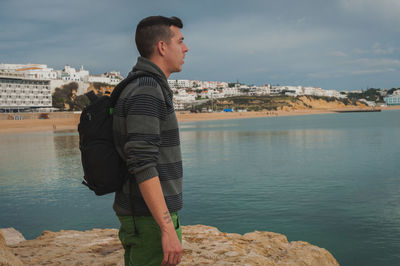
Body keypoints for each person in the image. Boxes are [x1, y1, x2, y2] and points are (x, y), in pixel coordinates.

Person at [112, 16, 189, 266]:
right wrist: (166, 228)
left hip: (149, 218)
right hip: (149, 220)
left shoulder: (147, 84)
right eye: (180, 41)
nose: (186, 48)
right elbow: (143, 162)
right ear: (162, 47)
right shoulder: (147, 88)